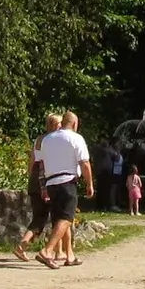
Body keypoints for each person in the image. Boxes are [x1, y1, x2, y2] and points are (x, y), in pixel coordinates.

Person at [37, 110, 93, 268]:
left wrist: (43, 185)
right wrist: (89, 184)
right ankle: (47, 251)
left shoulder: (47, 139)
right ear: (74, 124)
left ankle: (69, 255)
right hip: (67, 181)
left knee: (60, 219)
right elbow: (85, 163)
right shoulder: (76, 138)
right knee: (67, 218)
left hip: (51, 182)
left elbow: (41, 163)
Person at [13, 112, 63, 263]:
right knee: (48, 216)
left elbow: (32, 160)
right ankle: (23, 245)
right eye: (59, 124)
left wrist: (31, 177)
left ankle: (57, 250)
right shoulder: (53, 141)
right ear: (55, 125)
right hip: (45, 179)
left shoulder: (39, 139)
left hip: (35, 178)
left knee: (40, 216)